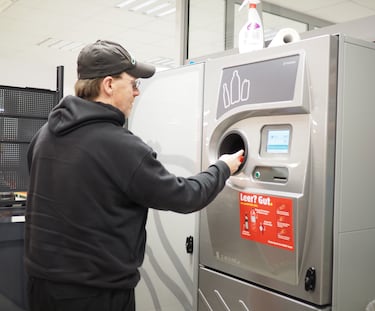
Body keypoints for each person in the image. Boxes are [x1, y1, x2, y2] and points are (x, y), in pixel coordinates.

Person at [24, 40, 244, 311]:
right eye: (133, 84)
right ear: (108, 85)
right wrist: (223, 167)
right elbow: (186, 196)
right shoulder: (121, 146)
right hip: (96, 295)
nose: (137, 93)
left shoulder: (43, 136)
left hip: (41, 287)